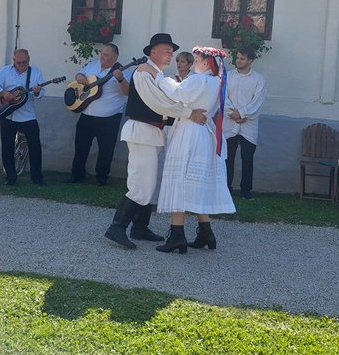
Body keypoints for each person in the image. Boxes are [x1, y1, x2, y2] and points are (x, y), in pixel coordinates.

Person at [104, 33, 205, 249]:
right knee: (141, 183)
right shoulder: (143, 74)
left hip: (151, 132)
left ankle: (140, 227)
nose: (171, 54)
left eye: (172, 51)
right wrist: (189, 113)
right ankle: (117, 227)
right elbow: (159, 103)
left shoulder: (157, 74)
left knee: (148, 182)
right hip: (142, 132)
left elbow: (169, 97)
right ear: (153, 52)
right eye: (166, 50)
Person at [141, 46, 236, 253]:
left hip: (191, 132)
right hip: (205, 133)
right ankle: (206, 232)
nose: (194, 63)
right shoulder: (216, 81)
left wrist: (158, 76)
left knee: (180, 181)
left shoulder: (199, 79)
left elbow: (177, 93)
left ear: (205, 62)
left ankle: (177, 235)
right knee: (196, 182)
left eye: (198, 59)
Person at [67, 43, 131, 186]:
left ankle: (101, 178)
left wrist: (120, 79)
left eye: (106, 55)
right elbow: (80, 73)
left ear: (115, 56)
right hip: (87, 114)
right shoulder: (93, 65)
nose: (102, 57)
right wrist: (79, 77)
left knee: (106, 150)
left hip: (109, 118)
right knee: (80, 146)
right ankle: (77, 174)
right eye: (101, 53)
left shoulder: (124, 71)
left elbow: (126, 92)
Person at [0, 49, 45, 186]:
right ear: (13, 60)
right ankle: (10, 177)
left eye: (24, 62)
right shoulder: (5, 71)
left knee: (35, 147)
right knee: (7, 147)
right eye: (18, 62)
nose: (21, 64)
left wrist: (37, 93)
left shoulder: (36, 73)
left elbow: (41, 94)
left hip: (28, 116)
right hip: (8, 115)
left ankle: (37, 178)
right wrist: (3, 93)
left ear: (29, 59)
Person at [222, 47, 267, 200]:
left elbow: (258, 102)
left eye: (242, 58)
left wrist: (241, 114)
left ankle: (246, 190)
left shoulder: (258, 79)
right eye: (238, 58)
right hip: (229, 123)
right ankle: (226, 188)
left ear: (250, 61)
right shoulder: (228, 76)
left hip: (248, 124)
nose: (238, 61)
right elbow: (223, 97)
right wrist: (232, 113)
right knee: (228, 158)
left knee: (247, 159)